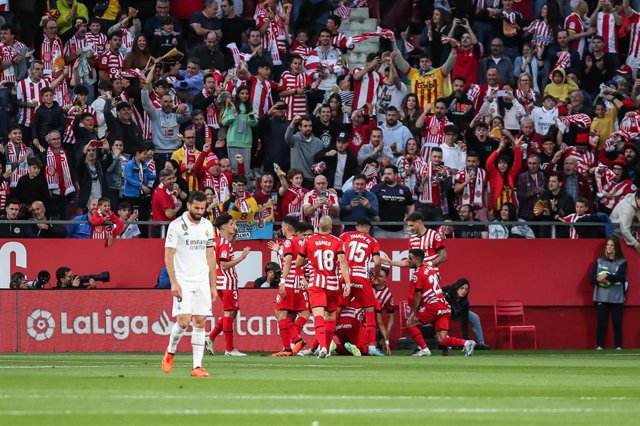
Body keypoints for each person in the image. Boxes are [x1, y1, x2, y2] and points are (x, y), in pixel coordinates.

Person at [161, 191, 217, 378]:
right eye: (196, 208)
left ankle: (197, 366)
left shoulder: (208, 226)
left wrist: (213, 284)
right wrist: (173, 282)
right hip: (183, 279)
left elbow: (210, 255)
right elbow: (168, 255)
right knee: (184, 321)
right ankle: (170, 351)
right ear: (189, 205)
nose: (200, 211)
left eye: (202, 208)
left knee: (200, 321)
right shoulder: (176, 226)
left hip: (201, 279)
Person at [296, 216, 351, 358]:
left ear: (317, 227)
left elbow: (298, 263)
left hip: (316, 284)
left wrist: (309, 259)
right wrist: (348, 283)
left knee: (318, 316)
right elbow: (343, 263)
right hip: (332, 284)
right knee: (331, 316)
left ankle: (323, 348)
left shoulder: (309, 241)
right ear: (331, 228)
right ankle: (325, 348)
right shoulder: (338, 241)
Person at [404, 249, 476, 357]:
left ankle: (424, 349)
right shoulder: (431, 270)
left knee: (410, 323)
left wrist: (413, 312)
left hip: (433, 305)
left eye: (410, 258)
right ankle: (467, 343)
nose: (408, 261)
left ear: (417, 259)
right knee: (442, 339)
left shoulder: (418, 273)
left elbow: (418, 295)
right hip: (445, 307)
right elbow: (438, 280)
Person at [206, 214, 250, 357]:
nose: (233, 225)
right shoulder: (224, 243)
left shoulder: (217, 241)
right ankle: (229, 349)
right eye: (231, 224)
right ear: (224, 226)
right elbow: (224, 264)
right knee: (229, 313)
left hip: (219, 281)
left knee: (231, 312)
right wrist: (242, 257)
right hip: (227, 281)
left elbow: (228, 246)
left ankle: (211, 337)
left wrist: (235, 234)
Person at [340, 217, 385, 356]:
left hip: (345, 276)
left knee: (334, 311)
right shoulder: (372, 240)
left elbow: (336, 252)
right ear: (369, 228)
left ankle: (321, 344)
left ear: (356, 225)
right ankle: (371, 346)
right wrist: (376, 275)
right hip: (362, 277)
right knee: (370, 311)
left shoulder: (345, 235)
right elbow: (377, 262)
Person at [590, 237, 628, 350]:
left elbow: (620, 277)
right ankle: (600, 345)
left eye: (612, 245)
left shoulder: (622, 262)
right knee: (602, 323)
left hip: (617, 297)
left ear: (616, 247)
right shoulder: (599, 261)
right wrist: (599, 279)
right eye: (607, 245)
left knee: (617, 323)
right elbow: (591, 278)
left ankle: (618, 346)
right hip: (602, 296)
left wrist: (607, 276)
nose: (609, 247)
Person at [442, 278, 490, 350]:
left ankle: (481, 343)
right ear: (457, 287)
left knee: (475, 317)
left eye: (466, 289)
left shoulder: (465, 302)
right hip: (443, 312)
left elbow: (464, 321)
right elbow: (436, 293)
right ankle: (445, 343)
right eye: (462, 288)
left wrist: (465, 340)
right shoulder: (448, 290)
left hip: (456, 314)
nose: (464, 291)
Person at [370, 164, 415, 238]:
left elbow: (410, 205)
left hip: (399, 229)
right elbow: (369, 203)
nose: (386, 176)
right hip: (380, 228)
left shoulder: (404, 189)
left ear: (396, 175)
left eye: (389, 174)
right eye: (385, 174)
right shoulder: (376, 188)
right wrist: (374, 215)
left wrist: (409, 216)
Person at [610, 189, 640, 254]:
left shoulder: (636, 201)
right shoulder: (628, 209)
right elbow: (624, 230)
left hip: (628, 232)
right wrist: (636, 245)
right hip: (615, 234)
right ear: (637, 198)